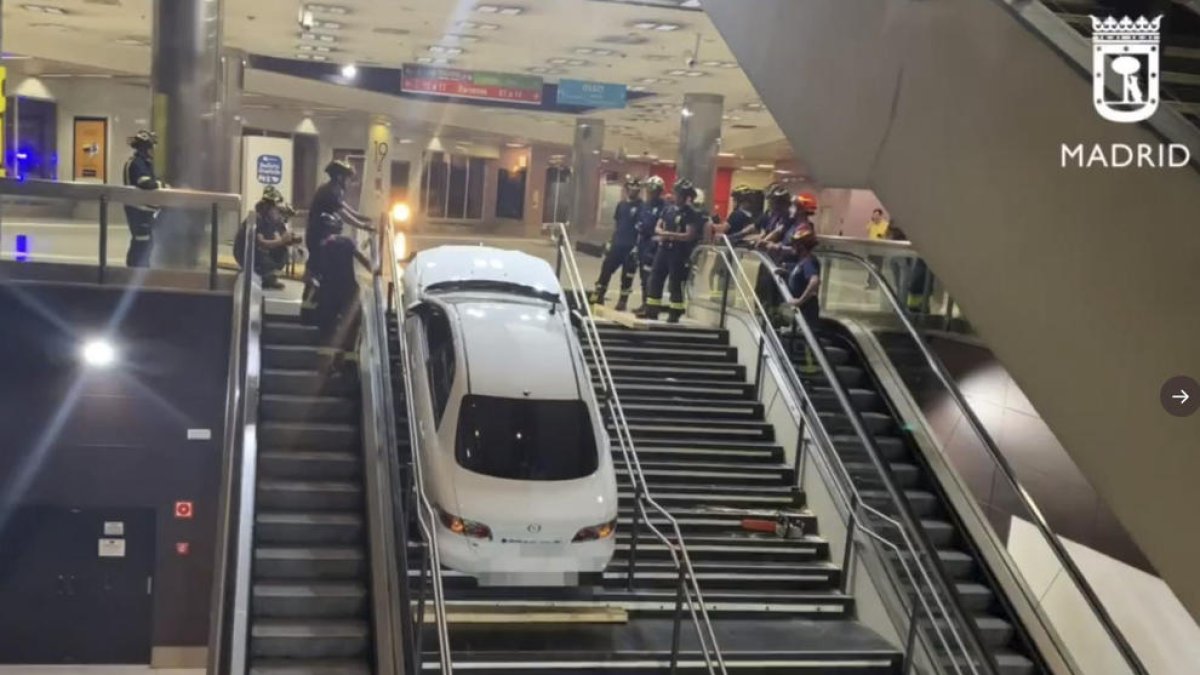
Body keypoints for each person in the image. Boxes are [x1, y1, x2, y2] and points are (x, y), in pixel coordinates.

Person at [309, 213, 375, 375]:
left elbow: (312, 274)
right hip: (349, 292)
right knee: (351, 328)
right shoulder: (348, 242)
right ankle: (348, 364)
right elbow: (370, 265)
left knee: (327, 330)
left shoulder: (322, 245)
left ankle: (324, 368)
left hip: (327, 293)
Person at [641, 178, 706, 323]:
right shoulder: (668, 209)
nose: (677, 196)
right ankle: (652, 310)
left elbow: (690, 235)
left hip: (679, 252)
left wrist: (670, 235)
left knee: (675, 282)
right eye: (676, 193)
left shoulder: (690, 213)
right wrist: (662, 233)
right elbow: (658, 226)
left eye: (680, 194)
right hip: (663, 249)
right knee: (655, 278)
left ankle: (675, 312)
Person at [307, 159, 373, 279]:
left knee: (346, 247)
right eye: (348, 178)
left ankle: (370, 267)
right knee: (349, 244)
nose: (349, 182)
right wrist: (363, 226)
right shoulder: (329, 191)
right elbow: (343, 214)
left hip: (325, 235)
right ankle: (371, 267)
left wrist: (363, 218)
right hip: (319, 237)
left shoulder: (335, 190)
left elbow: (346, 208)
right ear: (339, 177)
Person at [590, 175, 644, 311]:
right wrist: (610, 240)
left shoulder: (642, 207)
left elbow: (642, 229)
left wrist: (637, 247)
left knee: (627, 276)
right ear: (627, 190)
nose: (633, 192)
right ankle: (598, 296)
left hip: (631, 247)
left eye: (636, 190)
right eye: (631, 189)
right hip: (617, 244)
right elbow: (617, 224)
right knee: (606, 269)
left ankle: (622, 301)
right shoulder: (621, 205)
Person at [235, 187, 302, 290]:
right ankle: (257, 274)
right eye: (275, 208)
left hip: (260, 250)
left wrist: (291, 239)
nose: (278, 211)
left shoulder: (276, 220)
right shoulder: (258, 218)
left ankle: (269, 279)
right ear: (267, 207)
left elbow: (281, 238)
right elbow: (262, 242)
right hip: (246, 251)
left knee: (282, 252)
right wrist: (281, 241)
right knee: (264, 257)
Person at [781, 228, 823, 374]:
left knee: (807, 344)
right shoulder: (802, 262)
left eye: (795, 244)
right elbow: (798, 276)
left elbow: (814, 281)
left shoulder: (809, 261)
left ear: (802, 246)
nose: (792, 247)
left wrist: (800, 300)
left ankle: (808, 374)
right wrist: (785, 271)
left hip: (807, 312)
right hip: (802, 313)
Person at [122, 130, 166, 267]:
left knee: (145, 241)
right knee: (141, 241)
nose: (153, 150)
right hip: (138, 210)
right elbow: (145, 183)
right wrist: (163, 185)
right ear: (145, 148)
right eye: (151, 147)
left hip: (143, 209)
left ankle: (138, 268)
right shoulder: (137, 163)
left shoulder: (143, 162)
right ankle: (136, 269)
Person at [631, 175, 668, 315]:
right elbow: (640, 224)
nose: (650, 193)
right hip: (643, 244)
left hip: (655, 246)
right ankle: (644, 303)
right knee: (643, 277)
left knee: (652, 278)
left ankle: (651, 307)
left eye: (654, 190)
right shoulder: (644, 206)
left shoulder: (665, 207)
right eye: (649, 190)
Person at [866, 207, 891, 289]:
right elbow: (867, 230)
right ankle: (870, 283)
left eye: (877, 215)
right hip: (871, 249)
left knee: (878, 267)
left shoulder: (885, 224)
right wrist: (871, 222)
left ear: (881, 216)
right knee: (870, 266)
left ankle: (876, 284)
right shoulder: (872, 224)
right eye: (874, 215)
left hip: (880, 250)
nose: (875, 216)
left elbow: (884, 235)